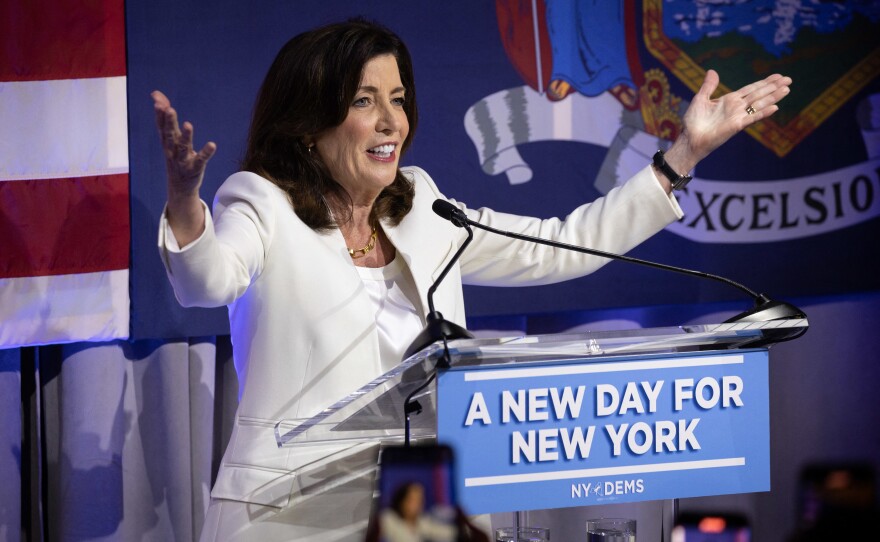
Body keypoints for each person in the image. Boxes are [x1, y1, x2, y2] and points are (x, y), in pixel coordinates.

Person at [153, 17, 792, 542]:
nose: (390, 123)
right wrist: (186, 202)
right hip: (291, 517)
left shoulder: (424, 207)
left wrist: (683, 157)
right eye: (363, 101)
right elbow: (209, 279)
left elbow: (562, 246)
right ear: (307, 120)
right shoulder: (261, 203)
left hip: (427, 516)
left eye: (398, 100)